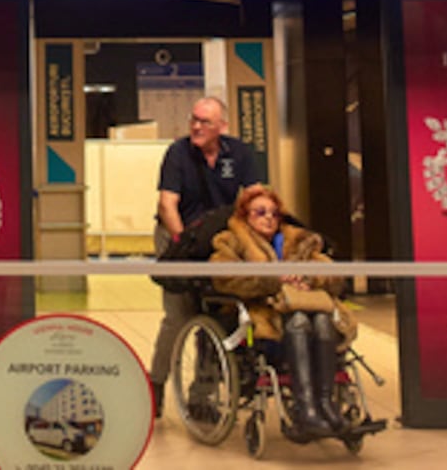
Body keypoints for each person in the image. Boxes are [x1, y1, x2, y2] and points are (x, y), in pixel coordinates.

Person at [209, 183, 357, 437]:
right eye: (260, 212)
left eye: (274, 213)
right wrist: (273, 280)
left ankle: (325, 404)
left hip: (308, 306)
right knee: (299, 321)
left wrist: (308, 278)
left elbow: (331, 273)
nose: (268, 218)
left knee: (323, 321)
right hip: (265, 315)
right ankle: (305, 408)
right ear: (245, 215)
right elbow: (224, 278)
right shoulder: (231, 241)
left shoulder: (298, 240)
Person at [148, 96, 259, 417]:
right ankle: (156, 383)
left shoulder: (239, 154)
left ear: (222, 127)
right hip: (177, 236)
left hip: (217, 242)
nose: (196, 126)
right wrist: (184, 245)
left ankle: (202, 395)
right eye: (194, 119)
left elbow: (255, 197)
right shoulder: (178, 153)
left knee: (216, 315)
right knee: (179, 315)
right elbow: (167, 204)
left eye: (204, 122)